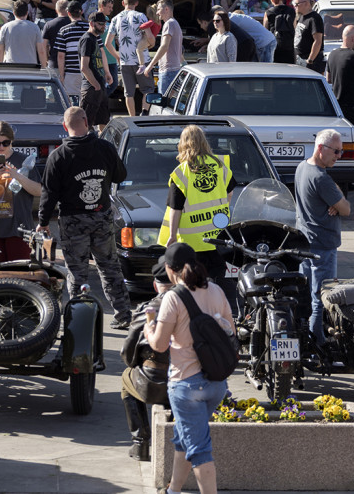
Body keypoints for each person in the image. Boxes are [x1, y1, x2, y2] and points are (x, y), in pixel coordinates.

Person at [144, 242, 233, 494]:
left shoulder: (174, 297)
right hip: (216, 383)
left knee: (200, 450)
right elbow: (231, 331)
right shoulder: (216, 290)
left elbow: (160, 345)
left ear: (171, 271)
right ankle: (173, 490)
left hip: (186, 385)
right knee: (185, 438)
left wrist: (150, 328)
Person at [38, 106, 131, 328]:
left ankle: (77, 318)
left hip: (73, 220)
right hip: (101, 215)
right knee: (109, 266)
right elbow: (121, 175)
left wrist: (43, 222)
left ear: (65, 127)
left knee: (77, 271)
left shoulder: (59, 156)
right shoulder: (106, 149)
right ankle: (123, 313)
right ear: (87, 122)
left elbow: (49, 192)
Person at [157, 124, 238, 316]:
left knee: (195, 286)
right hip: (218, 236)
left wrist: (172, 236)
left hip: (193, 243)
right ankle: (228, 319)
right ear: (204, 142)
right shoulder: (219, 165)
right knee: (223, 284)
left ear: (183, 144)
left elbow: (175, 209)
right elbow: (230, 192)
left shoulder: (182, 172)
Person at [295, 129, 351, 343]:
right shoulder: (321, 179)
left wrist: (334, 201)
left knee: (307, 297)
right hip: (323, 246)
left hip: (305, 243)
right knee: (321, 298)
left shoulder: (302, 167)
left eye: (341, 152)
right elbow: (346, 209)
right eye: (336, 152)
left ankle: (304, 337)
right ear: (321, 148)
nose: (339, 156)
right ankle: (317, 343)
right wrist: (337, 201)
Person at [120, 261, 172, 462]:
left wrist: (135, 364)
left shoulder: (148, 308)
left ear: (155, 285)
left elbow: (128, 352)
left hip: (156, 381)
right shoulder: (194, 303)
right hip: (191, 377)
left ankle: (140, 443)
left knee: (126, 379)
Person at [0, 121, 42, 263]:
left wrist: (17, 175)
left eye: (5, 143)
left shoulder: (24, 161)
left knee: (17, 274)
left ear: (11, 141)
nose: (1, 147)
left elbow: (38, 190)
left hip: (19, 228)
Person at [327, 26, 354, 179]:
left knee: (341, 141)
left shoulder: (332, 55)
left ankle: (339, 171)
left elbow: (328, 79)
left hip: (338, 105)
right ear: (352, 38)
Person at [106, 0, 153, 117]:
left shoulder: (115, 19)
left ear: (123, 3)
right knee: (147, 89)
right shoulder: (141, 16)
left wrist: (117, 57)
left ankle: (132, 118)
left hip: (125, 61)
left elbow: (107, 43)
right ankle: (144, 113)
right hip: (141, 60)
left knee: (129, 93)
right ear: (136, 3)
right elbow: (147, 37)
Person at [79, 12, 114, 132]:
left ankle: (102, 145)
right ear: (91, 23)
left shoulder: (96, 38)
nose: (103, 26)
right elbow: (84, 67)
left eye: (104, 24)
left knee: (104, 121)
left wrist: (106, 73)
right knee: (86, 124)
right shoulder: (87, 39)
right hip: (91, 88)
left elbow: (102, 55)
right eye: (100, 24)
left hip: (99, 87)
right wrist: (95, 84)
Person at [143, 0, 184, 95]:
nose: (157, 13)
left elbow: (164, 47)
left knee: (163, 104)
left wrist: (150, 65)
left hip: (168, 72)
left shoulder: (169, 24)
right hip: (173, 70)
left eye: (158, 9)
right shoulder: (175, 23)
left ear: (166, 9)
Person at [55, 1, 88, 104]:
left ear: (68, 13)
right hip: (88, 72)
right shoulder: (89, 29)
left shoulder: (64, 30)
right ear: (82, 12)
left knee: (72, 102)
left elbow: (61, 56)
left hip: (71, 72)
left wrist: (61, 75)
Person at [0, 0, 45, 64]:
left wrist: (0, 68)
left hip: (10, 67)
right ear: (27, 13)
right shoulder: (35, 27)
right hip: (30, 67)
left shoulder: (5, 27)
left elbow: (0, 52)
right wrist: (44, 68)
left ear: (14, 13)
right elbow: (41, 51)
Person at [293, 0, 325, 74]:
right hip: (300, 59)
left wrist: (310, 60)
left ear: (306, 3)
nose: (295, 6)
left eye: (297, 4)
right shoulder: (301, 17)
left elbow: (318, 41)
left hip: (310, 62)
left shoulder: (314, 18)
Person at [264, 0, 294, 64]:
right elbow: (295, 27)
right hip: (289, 45)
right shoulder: (291, 11)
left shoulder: (268, 12)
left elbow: (265, 30)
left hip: (275, 45)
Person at [42, 0, 72, 70]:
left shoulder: (49, 25)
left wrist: (46, 60)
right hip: (72, 65)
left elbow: (44, 45)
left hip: (54, 63)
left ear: (56, 10)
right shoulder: (73, 23)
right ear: (68, 10)